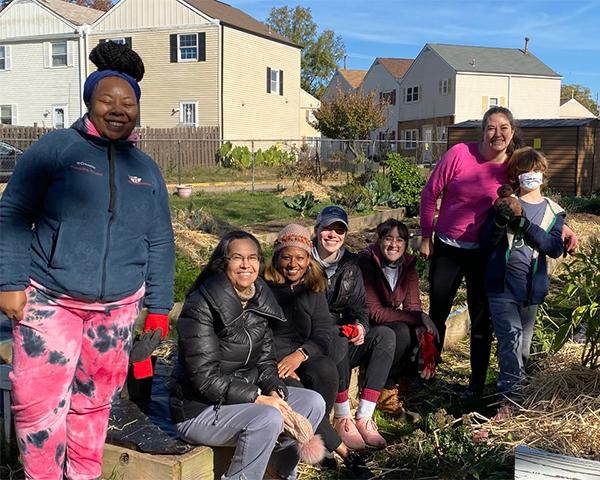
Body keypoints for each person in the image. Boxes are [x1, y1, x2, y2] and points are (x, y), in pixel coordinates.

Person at [0, 42, 174, 479]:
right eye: (107, 101)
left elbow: (160, 240)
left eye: (127, 103)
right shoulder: (58, 148)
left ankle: (84, 475)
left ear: (137, 108)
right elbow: (14, 213)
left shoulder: (146, 169)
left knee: (94, 403)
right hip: (50, 300)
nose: (118, 110)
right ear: (90, 103)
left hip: (116, 308)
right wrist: (9, 280)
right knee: (37, 402)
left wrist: (158, 307)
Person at [419, 106, 578, 398]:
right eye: (491, 128)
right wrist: (426, 236)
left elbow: (533, 198)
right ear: (482, 131)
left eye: (504, 128)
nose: (497, 134)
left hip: (484, 251)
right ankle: (426, 373)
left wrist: (564, 226)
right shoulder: (459, 154)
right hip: (448, 247)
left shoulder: (511, 167)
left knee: (482, 319)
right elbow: (430, 193)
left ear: (512, 132)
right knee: (438, 311)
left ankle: (476, 385)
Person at [170, 231, 325, 480]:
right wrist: (258, 398)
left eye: (252, 258)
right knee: (268, 417)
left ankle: (279, 472)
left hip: (244, 398)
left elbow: (265, 361)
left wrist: (274, 389)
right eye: (237, 258)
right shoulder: (200, 305)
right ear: (223, 263)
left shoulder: (258, 297)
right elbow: (205, 380)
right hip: (200, 408)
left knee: (312, 403)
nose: (246, 265)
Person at [264, 223, 374, 480]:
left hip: (301, 355)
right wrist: (281, 361)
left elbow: (324, 332)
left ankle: (318, 439)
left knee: (325, 369)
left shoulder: (314, 287)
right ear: (277, 258)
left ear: (308, 258)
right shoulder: (264, 288)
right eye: (286, 257)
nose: (293, 264)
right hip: (272, 362)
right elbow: (259, 336)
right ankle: (347, 453)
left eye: (300, 257)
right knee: (301, 394)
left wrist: (301, 354)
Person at [479, 147, 565, 408]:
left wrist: (527, 227)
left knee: (523, 346)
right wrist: (499, 223)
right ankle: (509, 400)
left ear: (543, 175)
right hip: (502, 286)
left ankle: (514, 390)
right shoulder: (505, 204)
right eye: (525, 172)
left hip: (531, 290)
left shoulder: (553, 212)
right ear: (516, 176)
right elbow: (485, 241)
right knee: (510, 341)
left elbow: (554, 247)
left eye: (536, 171)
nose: (531, 176)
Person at [312, 206, 397, 453]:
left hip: (340, 335)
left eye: (340, 230)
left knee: (385, 335)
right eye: (328, 228)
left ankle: (364, 416)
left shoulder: (351, 263)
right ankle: (342, 417)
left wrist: (361, 326)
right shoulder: (303, 260)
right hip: (315, 342)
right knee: (337, 336)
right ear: (317, 230)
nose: (333, 235)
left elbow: (360, 306)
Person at [358, 219, 438, 418]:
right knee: (402, 331)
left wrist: (420, 323)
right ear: (379, 240)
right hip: (368, 327)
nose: (394, 245)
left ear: (406, 244)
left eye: (400, 240)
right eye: (388, 238)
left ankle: (404, 384)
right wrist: (418, 317)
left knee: (421, 331)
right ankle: (385, 393)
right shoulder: (367, 261)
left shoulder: (408, 265)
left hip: (390, 323)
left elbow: (413, 304)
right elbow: (374, 312)